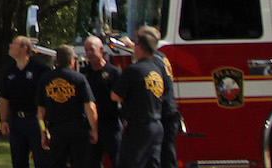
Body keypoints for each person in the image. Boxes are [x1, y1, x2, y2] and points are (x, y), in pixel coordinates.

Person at [112, 27, 172, 168]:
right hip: (157, 125)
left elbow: (115, 96)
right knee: (153, 164)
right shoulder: (157, 68)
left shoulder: (133, 69)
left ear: (140, 48)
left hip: (139, 126)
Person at [38, 45, 98, 168]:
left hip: (57, 130)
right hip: (78, 130)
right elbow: (90, 107)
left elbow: (40, 113)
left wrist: (43, 132)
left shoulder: (45, 79)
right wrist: (94, 129)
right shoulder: (79, 78)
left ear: (56, 59)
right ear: (72, 60)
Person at [1, 36, 47, 168]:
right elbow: (4, 97)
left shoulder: (40, 70)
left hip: (35, 120)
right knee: (18, 160)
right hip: (16, 121)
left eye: (14, 43)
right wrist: (3, 120)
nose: (10, 46)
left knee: (41, 159)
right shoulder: (9, 72)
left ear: (24, 48)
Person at [82, 37, 123, 168]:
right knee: (91, 162)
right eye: (86, 50)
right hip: (91, 125)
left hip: (111, 125)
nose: (89, 53)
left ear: (101, 50)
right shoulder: (83, 73)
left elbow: (123, 100)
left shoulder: (114, 73)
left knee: (118, 161)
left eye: (91, 50)